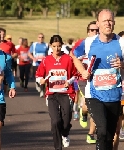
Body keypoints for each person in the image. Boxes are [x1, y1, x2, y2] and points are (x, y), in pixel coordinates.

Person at [36, 35, 90, 150]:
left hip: (66, 93)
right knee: (55, 121)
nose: (57, 49)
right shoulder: (46, 60)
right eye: (54, 46)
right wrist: (41, 80)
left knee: (66, 121)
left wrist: (68, 82)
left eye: (59, 46)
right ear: (51, 46)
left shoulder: (68, 59)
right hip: (51, 94)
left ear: (62, 46)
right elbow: (38, 75)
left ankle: (65, 133)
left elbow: (76, 74)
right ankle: (58, 147)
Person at [84, 9, 124, 150]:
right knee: (102, 129)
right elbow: (73, 54)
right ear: (98, 24)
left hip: (114, 95)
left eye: (110, 20)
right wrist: (83, 71)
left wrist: (123, 65)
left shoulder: (121, 42)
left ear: (114, 22)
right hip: (94, 95)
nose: (108, 23)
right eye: (104, 21)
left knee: (109, 134)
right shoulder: (89, 42)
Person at [73, 21, 99, 144]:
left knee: (95, 108)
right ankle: (83, 113)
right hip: (83, 80)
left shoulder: (103, 43)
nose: (95, 32)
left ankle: (91, 134)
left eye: (97, 30)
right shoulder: (82, 43)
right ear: (88, 32)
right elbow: (72, 56)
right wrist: (81, 69)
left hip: (98, 81)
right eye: (92, 30)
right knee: (88, 106)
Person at [28, 33, 48, 97]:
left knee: (43, 77)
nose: (41, 38)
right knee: (36, 77)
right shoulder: (34, 44)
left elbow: (48, 54)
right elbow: (29, 53)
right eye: (39, 37)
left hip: (44, 64)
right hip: (36, 63)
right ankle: (37, 84)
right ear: (37, 38)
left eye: (42, 37)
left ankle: (42, 90)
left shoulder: (46, 45)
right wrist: (33, 58)